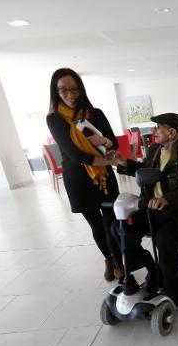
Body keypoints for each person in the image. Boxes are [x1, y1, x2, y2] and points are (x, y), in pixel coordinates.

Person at [107, 113, 178, 303]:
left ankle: (172, 287)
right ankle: (152, 269)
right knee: (119, 228)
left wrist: (167, 199)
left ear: (171, 132)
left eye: (159, 128)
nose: (155, 132)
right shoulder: (155, 149)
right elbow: (143, 170)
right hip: (152, 208)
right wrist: (124, 163)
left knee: (163, 239)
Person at [46, 68, 123, 282]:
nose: (70, 95)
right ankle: (109, 259)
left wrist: (105, 143)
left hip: (104, 178)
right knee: (96, 225)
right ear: (55, 91)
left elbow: (113, 142)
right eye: (63, 90)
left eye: (74, 90)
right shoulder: (55, 119)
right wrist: (109, 159)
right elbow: (75, 154)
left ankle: (119, 262)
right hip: (78, 179)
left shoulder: (95, 113)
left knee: (111, 222)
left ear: (81, 90)